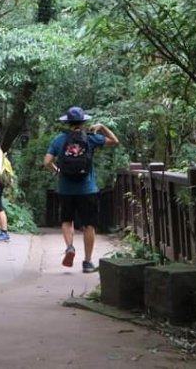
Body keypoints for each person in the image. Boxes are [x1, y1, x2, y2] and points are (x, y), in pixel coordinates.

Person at [43, 106, 119, 273]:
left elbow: (47, 161)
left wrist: (57, 171)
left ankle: (70, 247)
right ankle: (87, 262)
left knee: (66, 221)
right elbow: (115, 141)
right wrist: (102, 127)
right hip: (88, 189)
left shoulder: (59, 140)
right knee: (89, 225)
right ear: (84, 121)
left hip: (66, 189)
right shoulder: (90, 139)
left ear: (67, 122)